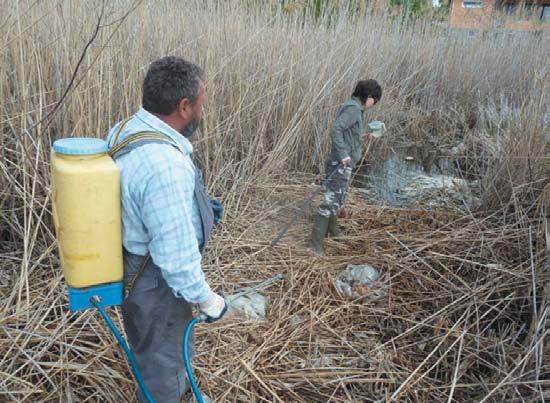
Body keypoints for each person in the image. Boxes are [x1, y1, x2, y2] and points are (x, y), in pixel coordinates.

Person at [106, 56, 225, 402]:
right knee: (162, 368)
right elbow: (176, 261)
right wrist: (208, 300)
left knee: (161, 354)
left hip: (136, 271)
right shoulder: (166, 166)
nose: (204, 110)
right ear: (184, 106)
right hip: (156, 284)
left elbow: (143, 205)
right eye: (202, 102)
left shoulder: (127, 129)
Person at [307, 79, 382, 255]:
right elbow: (336, 129)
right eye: (375, 100)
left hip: (341, 162)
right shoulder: (354, 109)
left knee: (336, 199)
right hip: (340, 164)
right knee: (329, 201)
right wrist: (343, 155)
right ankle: (314, 245)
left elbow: (347, 134)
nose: (374, 104)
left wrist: (363, 137)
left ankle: (333, 234)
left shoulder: (353, 107)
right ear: (369, 97)